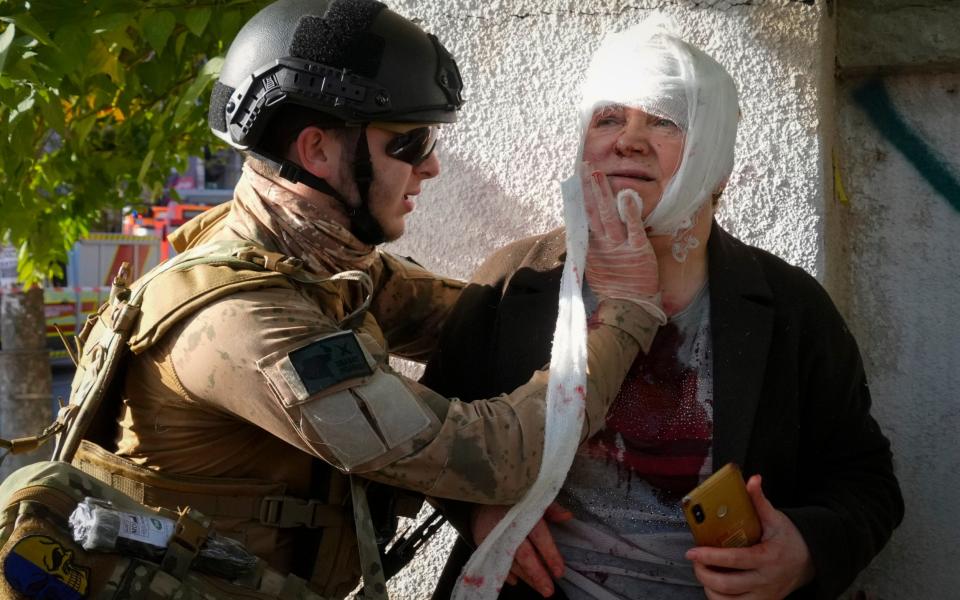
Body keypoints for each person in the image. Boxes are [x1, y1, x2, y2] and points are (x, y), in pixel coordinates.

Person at [54, 1, 666, 598]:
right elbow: (505, 453)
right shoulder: (250, 328)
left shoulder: (304, 257)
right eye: (408, 142)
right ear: (317, 151)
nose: (430, 167)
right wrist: (627, 311)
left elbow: (476, 320)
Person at [425, 21, 903, 600]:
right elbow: (432, 437)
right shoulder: (517, 282)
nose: (628, 140)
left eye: (664, 120)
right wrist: (481, 512)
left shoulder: (791, 309)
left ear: (716, 157)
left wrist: (802, 552)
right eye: (607, 119)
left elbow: (867, 481)